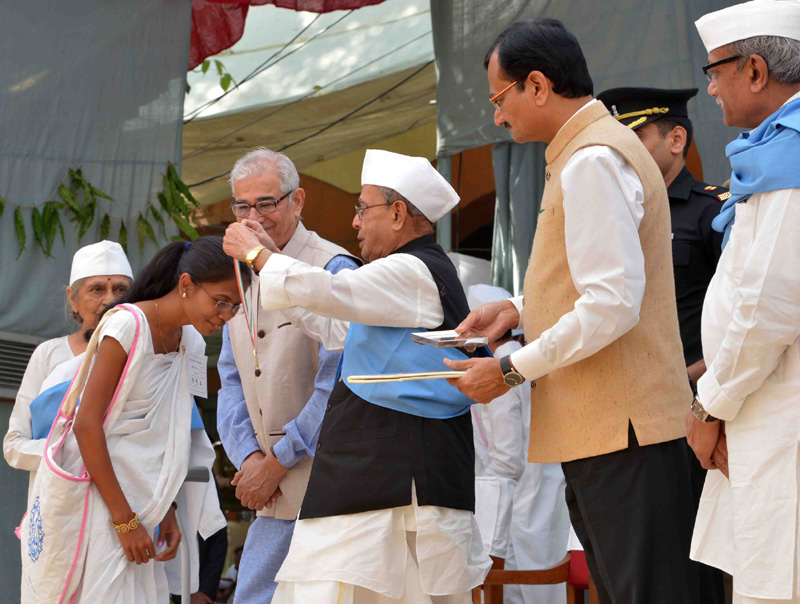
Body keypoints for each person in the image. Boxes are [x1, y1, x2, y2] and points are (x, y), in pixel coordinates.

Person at [446, 19, 701, 603]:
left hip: (625, 437)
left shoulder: (591, 160)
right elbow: (600, 284)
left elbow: (611, 304)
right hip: (614, 434)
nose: (497, 117)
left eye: (499, 98)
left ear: (537, 86)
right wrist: (516, 309)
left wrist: (510, 370)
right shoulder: (587, 152)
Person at [223, 149, 492, 604]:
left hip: (397, 477)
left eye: (363, 209)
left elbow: (335, 292)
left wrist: (259, 255)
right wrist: (273, 262)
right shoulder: (401, 273)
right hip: (373, 475)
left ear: (398, 213)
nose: (355, 222)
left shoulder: (413, 269)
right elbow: (337, 328)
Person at [43, 237, 247, 603]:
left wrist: (166, 509)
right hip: (103, 504)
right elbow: (86, 424)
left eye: (234, 306)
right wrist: (124, 521)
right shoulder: (127, 325)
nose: (225, 315)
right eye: (220, 301)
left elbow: (170, 433)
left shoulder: (190, 342)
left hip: (145, 511)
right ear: (186, 284)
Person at [596, 86, 728, 604]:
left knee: (699, 561)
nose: (623, 154)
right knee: (644, 563)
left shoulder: (711, 212)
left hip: (698, 407)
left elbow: (741, 314)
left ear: (676, 139)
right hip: (629, 414)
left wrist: (697, 376)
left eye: (637, 139)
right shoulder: (618, 216)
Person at [688, 3, 800, 602]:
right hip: (762, 403)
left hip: (779, 412)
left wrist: (709, 406)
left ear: (755, 70)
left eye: (715, 71)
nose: (710, 88)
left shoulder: (792, 155)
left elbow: (768, 308)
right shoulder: (775, 150)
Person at [215, 147, 358, 603]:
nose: (253, 217)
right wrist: (248, 460)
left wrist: (277, 463)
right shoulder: (240, 272)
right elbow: (231, 377)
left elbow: (338, 383)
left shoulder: (333, 268)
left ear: (297, 201)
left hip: (325, 487)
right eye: (242, 206)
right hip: (270, 492)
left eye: (266, 203)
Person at [4, 240, 133, 503]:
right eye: (97, 289)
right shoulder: (49, 355)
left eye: (120, 289)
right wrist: (76, 452)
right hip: (59, 504)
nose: (110, 299)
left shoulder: (142, 355)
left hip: (129, 501)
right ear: (73, 299)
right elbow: (14, 445)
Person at [467, 284, 570, 604]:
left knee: (520, 589)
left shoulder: (499, 364)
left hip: (517, 502)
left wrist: (484, 511)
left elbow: (507, 458)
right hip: (541, 491)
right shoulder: (522, 358)